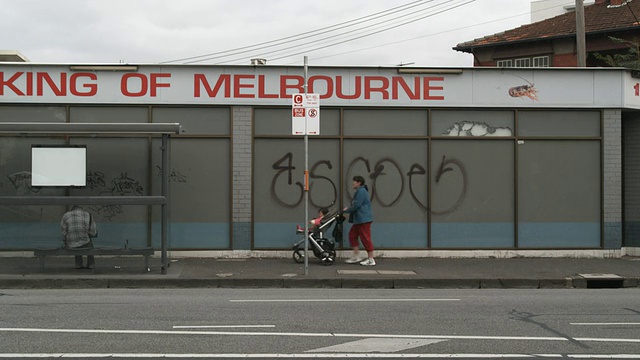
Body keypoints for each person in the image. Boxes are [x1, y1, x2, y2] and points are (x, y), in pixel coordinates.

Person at [343, 175, 375, 266]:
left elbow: (357, 205)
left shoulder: (361, 192)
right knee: (352, 235)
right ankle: (356, 255)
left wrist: (347, 211)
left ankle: (371, 259)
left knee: (365, 238)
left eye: (354, 181)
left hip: (363, 219)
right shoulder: (359, 191)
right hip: (359, 219)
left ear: (359, 183)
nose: (353, 183)